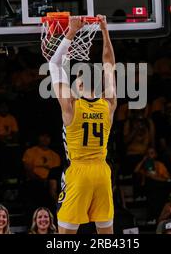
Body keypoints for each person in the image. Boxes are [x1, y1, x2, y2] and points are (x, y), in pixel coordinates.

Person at [48, 15, 116, 234]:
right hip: (102, 172)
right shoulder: (108, 105)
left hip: (79, 173)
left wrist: (71, 31)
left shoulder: (71, 106)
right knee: (107, 237)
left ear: (78, 83)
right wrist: (104, 31)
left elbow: (54, 63)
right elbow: (109, 63)